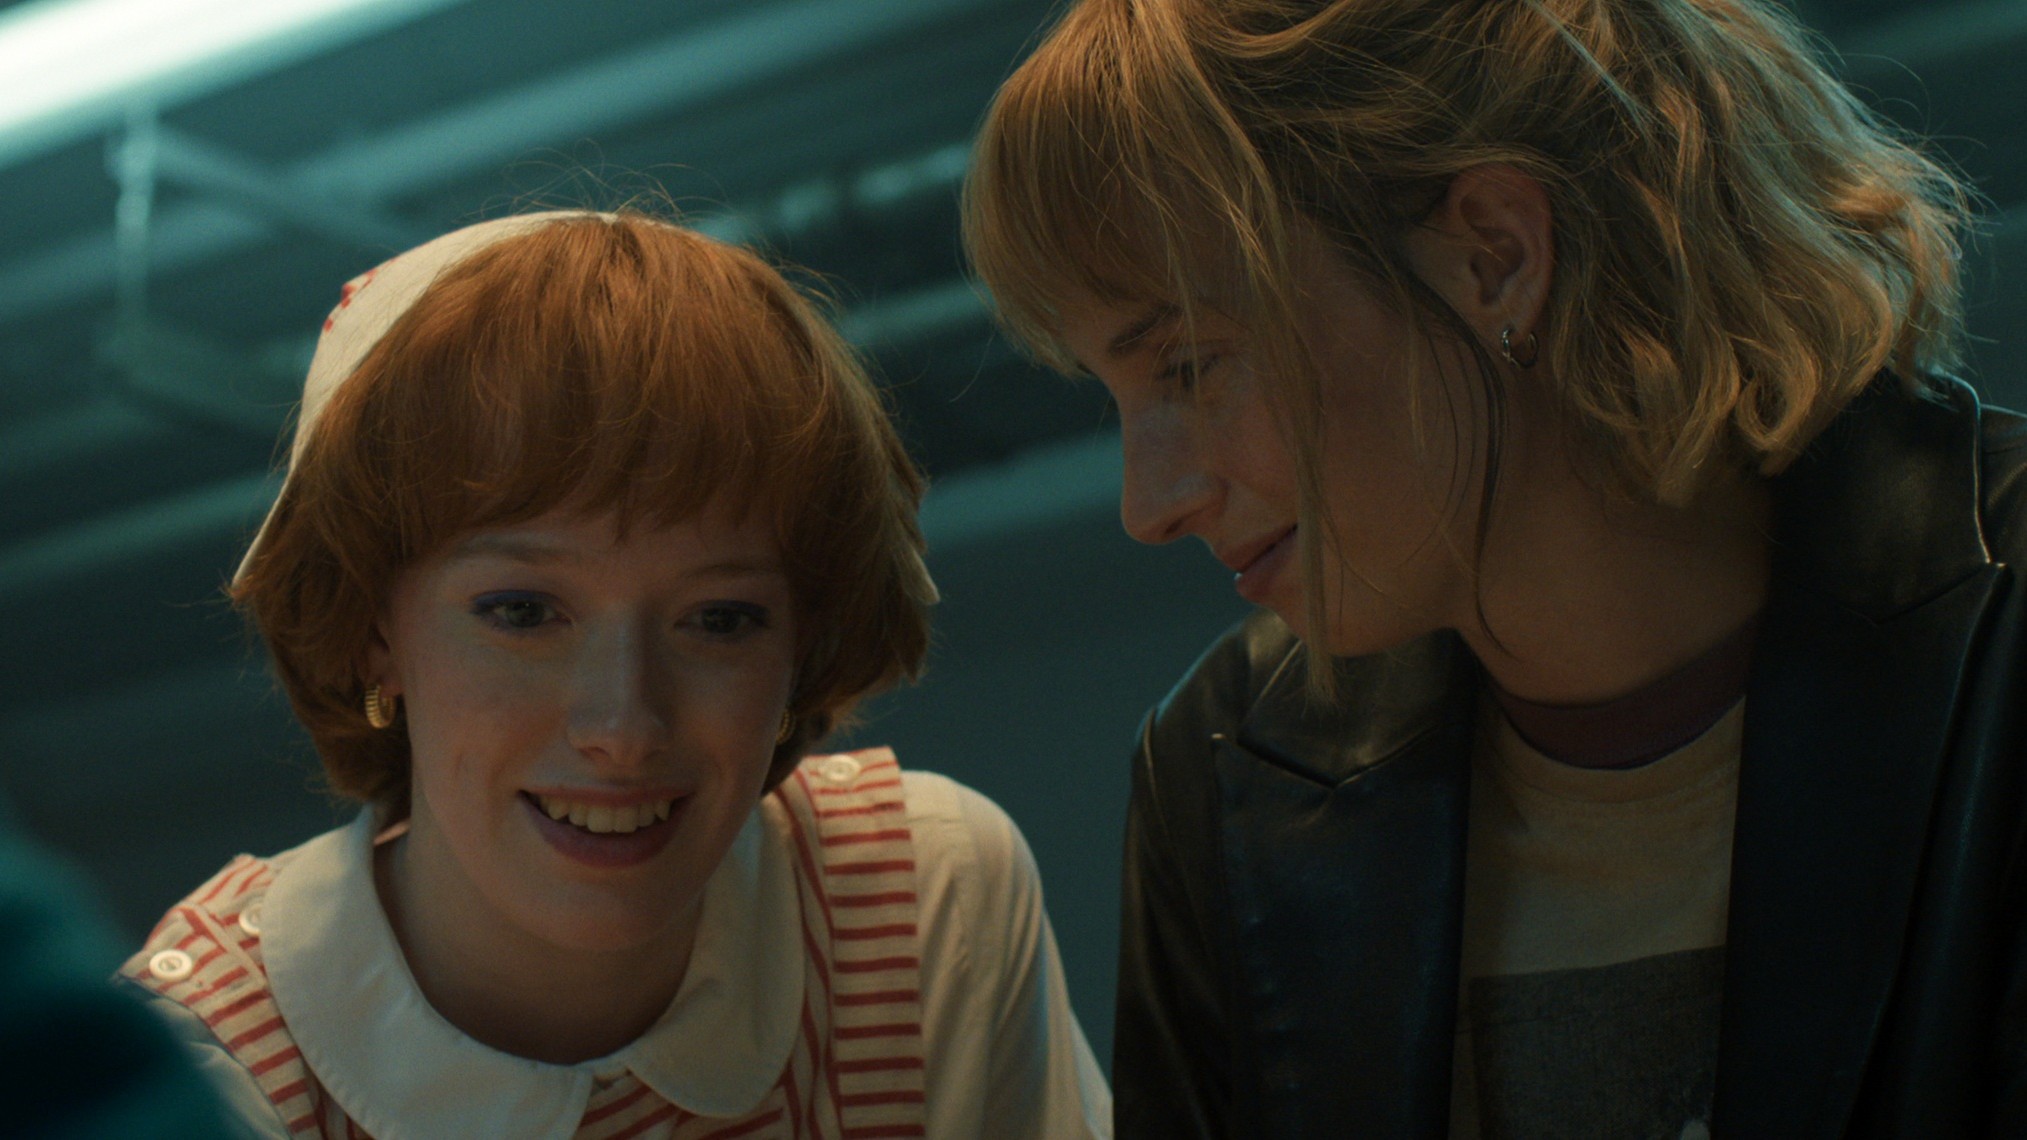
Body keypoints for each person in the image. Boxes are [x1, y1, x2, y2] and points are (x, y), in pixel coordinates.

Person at [962, 0, 2026, 1135]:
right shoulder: (1223, 765)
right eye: (1117, 396)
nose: (1148, 506)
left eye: (1187, 365)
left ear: (1493, 256)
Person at [117, 210, 1111, 1138]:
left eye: (719, 620)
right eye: (522, 612)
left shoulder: (923, 907)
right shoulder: (193, 1073)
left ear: (802, 649)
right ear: (371, 628)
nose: (625, 726)